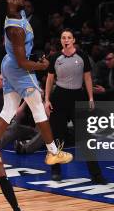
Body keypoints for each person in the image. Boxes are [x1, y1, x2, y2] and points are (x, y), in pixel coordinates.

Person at [0, 0, 73, 167]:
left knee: (8, 110)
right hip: (17, 67)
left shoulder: (16, 10)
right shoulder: (14, 29)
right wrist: (42, 66)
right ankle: (52, 152)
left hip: (10, 64)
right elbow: (23, 63)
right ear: (9, 7)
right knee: (38, 108)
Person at [45, 30, 106, 183]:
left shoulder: (82, 56)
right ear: (61, 40)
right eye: (63, 37)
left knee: (85, 137)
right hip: (59, 97)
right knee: (57, 135)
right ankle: (56, 171)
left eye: (69, 37)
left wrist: (91, 97)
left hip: (78, 96)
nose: (66, 40)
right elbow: (49, 79)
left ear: (73, 40)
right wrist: (47, 100)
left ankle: (96, 174)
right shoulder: (54, 58)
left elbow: (87, 77)